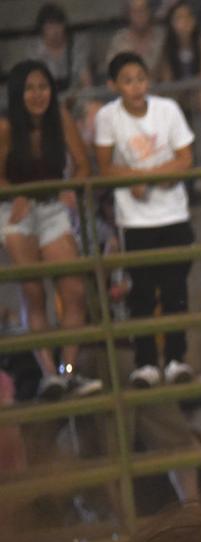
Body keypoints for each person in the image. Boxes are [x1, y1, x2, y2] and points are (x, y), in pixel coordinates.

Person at [95, 51, 197, 388]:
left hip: (173, 215)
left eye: (140, 78)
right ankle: (145, 364)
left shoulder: (167, 109)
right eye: (128, 80)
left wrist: (145, 177)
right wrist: (138, 179)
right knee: (140, 293)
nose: (136, 86)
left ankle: (176, 359)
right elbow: (104, 166)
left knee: (175, 291)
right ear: (114, 85)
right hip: (134, 221)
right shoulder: (107, 117)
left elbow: (185, 159)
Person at [0, 60, 100, 400]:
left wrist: (72, 185)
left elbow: (83, 163)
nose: (38, 94)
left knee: (74, 289)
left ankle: (67, 372)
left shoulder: (60, 118)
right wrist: (17, 194)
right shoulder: (5, 127)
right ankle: (48, 375)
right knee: (33, 292)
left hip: (53, 208)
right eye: (30, 88)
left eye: (43, 86)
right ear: (17, 93)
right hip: (16, 211)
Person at [160, 0, 201, 161]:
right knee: (168, 98)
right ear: (172, 23)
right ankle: (169, 142)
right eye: (179, 18)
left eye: (187, 17)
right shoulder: (168, 46)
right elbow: (168, 80)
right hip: (182, 93)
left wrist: (189, 86)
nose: (184, 22)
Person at [105, 0, 167, 79]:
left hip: (158, 89)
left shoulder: (161, 37)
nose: (139, 15)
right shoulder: (119, 41)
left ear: (149, 12)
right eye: (135, 11)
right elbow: (111, 72)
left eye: (142, 10)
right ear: (129, 14)